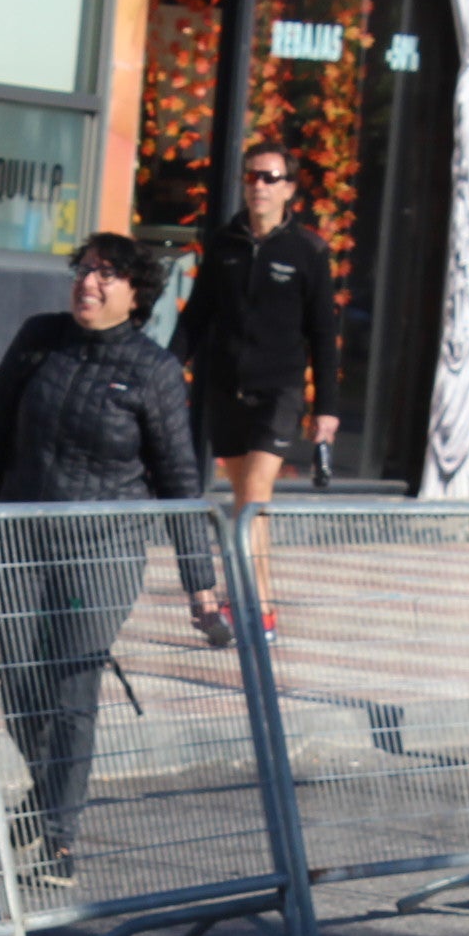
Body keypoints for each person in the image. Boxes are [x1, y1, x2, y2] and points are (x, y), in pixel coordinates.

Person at [0, 231, 223, 890]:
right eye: (85, 270)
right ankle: (50, 794)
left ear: (136, 295)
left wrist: (201, 587)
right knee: (20, 682)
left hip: (103, 553)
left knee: (72, 688)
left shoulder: (154, 372)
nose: (89, 283)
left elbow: (179, 482)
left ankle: (59, 839)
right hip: (26, 541)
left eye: (108, 275)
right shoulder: (38, 339)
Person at [171, 143, 338, 640]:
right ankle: (255, 598)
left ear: (288, 188)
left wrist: (326, 409)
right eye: (251, 177)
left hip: (278, 390)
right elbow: (196, 315)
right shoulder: (224, 243)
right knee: (245, 498)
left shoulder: (307, 251)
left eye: (269, 178)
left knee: (255, 493)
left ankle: (256, 606)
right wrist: (163, 370)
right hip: (226, 388)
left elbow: (324, 336)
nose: (258, 186)